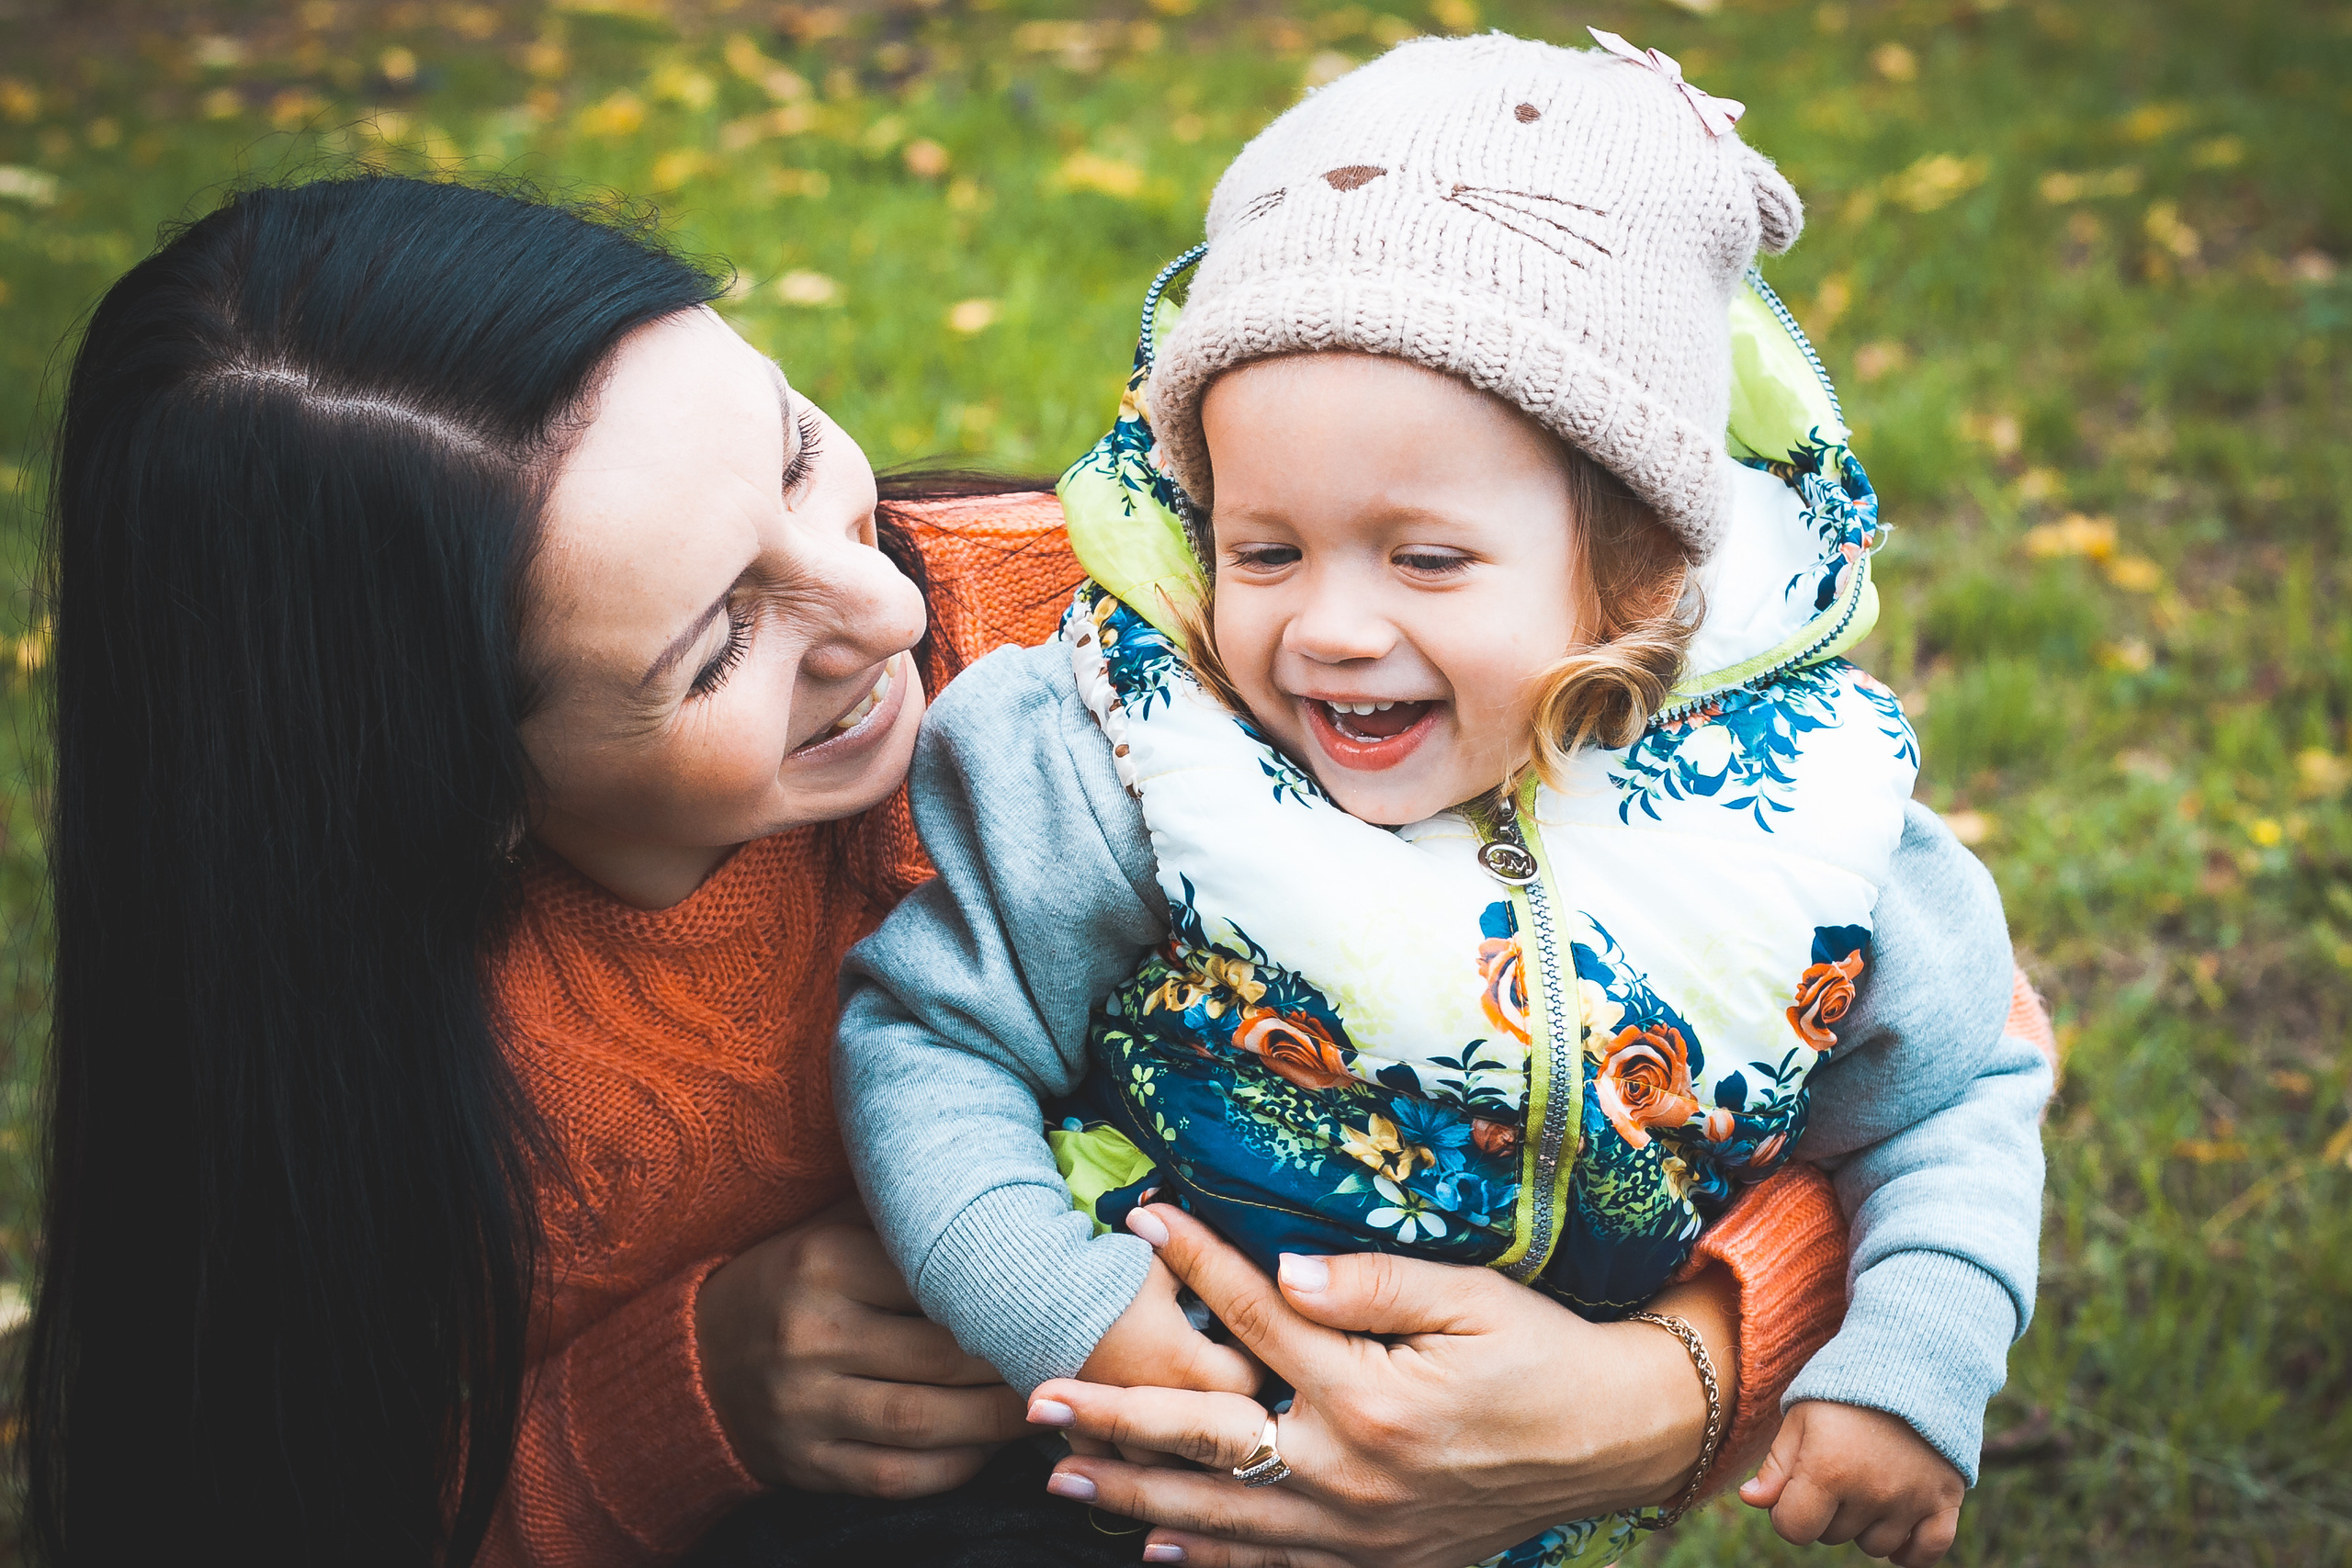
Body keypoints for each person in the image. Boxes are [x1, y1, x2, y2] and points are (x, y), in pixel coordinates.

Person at [18, 169, 2035, 1568]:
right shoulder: (359, 1042)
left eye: (801, 453)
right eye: (715, 637)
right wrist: (680, 1394)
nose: (876, 608)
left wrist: (1661, 1383)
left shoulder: (1160, 659)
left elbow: (1912, 1014)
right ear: (448, 780)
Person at [835, 33, 2051, 1568]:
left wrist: (1912, 1372)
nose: (1330, 625)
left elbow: (1952, 1102)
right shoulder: (1131, 752)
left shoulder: (1813, 816)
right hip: (1122, 1465)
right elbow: (929, 1038)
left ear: (1642, 568)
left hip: (1498, 1504)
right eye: (1264, 550)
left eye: (1425, 558)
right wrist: (1082, 1318)